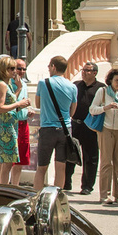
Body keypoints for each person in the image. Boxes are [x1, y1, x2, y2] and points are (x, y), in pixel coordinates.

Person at [34, 55, 80, 189]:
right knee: (61, 166)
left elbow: (38, 104)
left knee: (41, 167)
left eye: (49, 66)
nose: (48, 69)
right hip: (65, 130)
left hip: (47, 128)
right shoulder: (72, 87)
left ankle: (37, 196)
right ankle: (57, 196)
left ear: (53, 67)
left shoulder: (44, 83)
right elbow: (72, 111)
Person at [89, 68, 118, 204]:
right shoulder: (103, 92)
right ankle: (104, 195)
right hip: (106, 129)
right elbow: (92, 109)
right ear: (110, 80)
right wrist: (106, 107)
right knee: (106, 162)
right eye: (117, 80)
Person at [0, 56, 33, 186]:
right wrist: (18, 104)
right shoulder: (2, 85)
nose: (15, 71)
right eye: (12, 68)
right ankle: (4, 189)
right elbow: (0, 108)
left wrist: (20, 101)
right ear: (4, 69)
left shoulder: (7, 84)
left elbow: (10, 103)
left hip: (9, 126)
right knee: (7, 163)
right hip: (5, 128)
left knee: (6, 163)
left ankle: (4, 188)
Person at [69, 61, 101, 195]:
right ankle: (66, 182)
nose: (84, 72)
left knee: (90, 157)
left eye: (88, 70)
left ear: (94, 73)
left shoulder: (100, 88)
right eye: (83, 70)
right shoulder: (76, 86)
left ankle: (87, 185)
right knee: (70, 154)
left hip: (90, 126)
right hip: (75, 124)